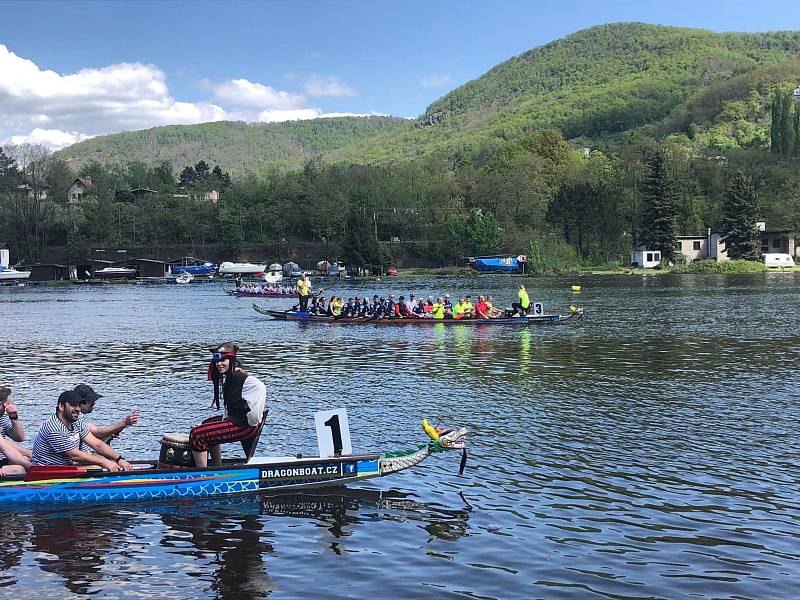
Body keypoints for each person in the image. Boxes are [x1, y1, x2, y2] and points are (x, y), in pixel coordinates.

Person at [190, 343, 267, 468]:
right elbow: (229, 406)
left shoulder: (241, 377)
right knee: (205, 425)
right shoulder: (229, 376)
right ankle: (216, 466)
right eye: (217, 361)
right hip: (236, 420)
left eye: (223, 361)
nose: (219, 364)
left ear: (231, 361)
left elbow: (260, 387)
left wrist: (253, 420)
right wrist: (224, 419)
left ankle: (202, 475)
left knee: (197, 434)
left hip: (244, 425)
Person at [31, 390, 132, 471]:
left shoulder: (76, 422)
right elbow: (75, 455)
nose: (78, 409)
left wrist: (119, 459)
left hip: (65, 466)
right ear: (61, 406)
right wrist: (104, 463)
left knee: (108, 461)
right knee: (98, 467)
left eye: (79, 405)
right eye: (73, 405)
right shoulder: (54, 428)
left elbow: (97, 444)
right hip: (46, 472)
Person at [74, 384, 139, 445]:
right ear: (81, 402)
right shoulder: (75, 418)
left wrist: (111, 432)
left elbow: (94, 429)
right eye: (91, 401)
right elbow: (97, 433)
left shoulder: (78, 415)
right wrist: (124, 422)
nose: (93, 403)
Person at [0, 386, 31, 469]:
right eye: (8, 403)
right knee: (20, 469)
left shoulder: (2, 418)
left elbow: (19, 438)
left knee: (25, 458)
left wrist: (13, 418)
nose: (10, 406)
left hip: (2, 459)